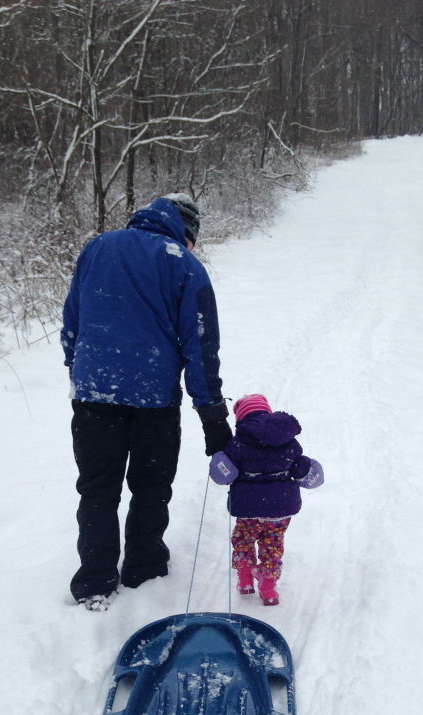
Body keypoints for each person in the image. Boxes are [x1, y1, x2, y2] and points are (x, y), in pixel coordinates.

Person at [61, 193, 232, 610]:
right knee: (150, 486)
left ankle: (95, 582)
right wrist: (212, 417)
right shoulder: (183, 263)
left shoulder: (97, 247)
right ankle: (144, 567)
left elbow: (72, 323)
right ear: (187, 232)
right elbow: (200, 346)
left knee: (97, 489)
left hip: (93, 393)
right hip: (153, 401)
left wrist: (79, 368)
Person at [209, 394, 323, 606]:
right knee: (273, 545)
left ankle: (245, 581)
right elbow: (300, 468)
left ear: (241, 419)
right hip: (280, 509)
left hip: (248, 508)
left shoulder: (237, 444)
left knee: (243, 539)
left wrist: (219, 460)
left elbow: (226, 475)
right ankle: (268, 589)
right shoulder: (289, 443)